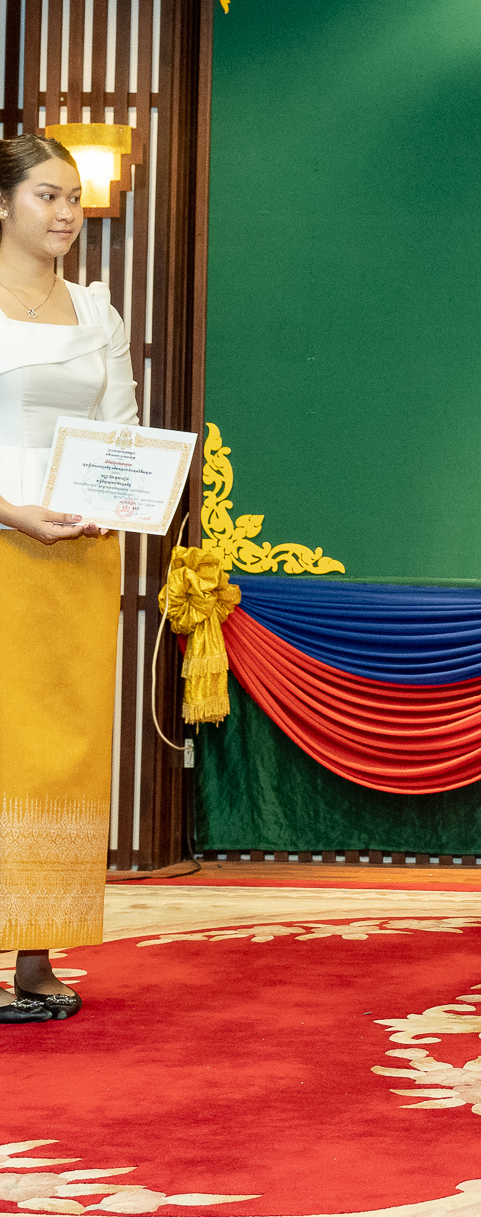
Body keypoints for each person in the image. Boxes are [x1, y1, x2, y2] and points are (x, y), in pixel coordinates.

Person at [0, 135, 132, 1026]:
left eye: (73, 198)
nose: (65, 212)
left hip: (78, 551)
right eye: (47, 194)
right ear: (3, 202)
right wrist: (13, 511)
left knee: (65, 754)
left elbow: (121, 426)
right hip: (3, 542)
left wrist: (115, 498)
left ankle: (36, 949)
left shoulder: (95, 307)